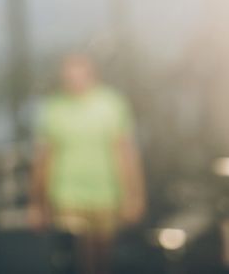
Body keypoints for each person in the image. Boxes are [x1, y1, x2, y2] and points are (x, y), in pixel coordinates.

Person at [29, 52, 145, 274]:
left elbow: (126, 152)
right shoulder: (53, 108)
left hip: (106, 194)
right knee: (77, 257)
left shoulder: (111, 104)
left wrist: (135, 194)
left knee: (102, 256)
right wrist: (37, 202)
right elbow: (43, 158)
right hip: (67, 196)